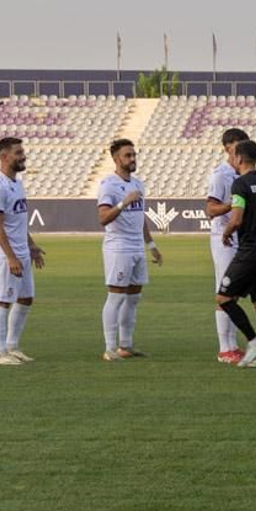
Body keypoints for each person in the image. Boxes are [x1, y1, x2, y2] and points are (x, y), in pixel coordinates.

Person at [96, 139, 161, 361]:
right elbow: (103, 218)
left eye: (134, 155)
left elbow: (139, 217)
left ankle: (126, 345)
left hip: (136, 247)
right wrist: (123, 203)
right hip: (119, 247)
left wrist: (151, 245)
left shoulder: (138, 184)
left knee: (133, 298)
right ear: (116, 159)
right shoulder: (108, 185)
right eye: (128, 155)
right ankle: (109, 348)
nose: (133, 159)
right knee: (115, 297)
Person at [218, 140, 256, 368]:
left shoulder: (240, 184)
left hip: (250, 249)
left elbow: (236, 218)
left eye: (233, 155)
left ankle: (254, 342)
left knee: (223, 297)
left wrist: (226, 233)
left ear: (239, 158)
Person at [0, 136, 45, 365]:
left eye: (22, 152)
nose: (23, 156)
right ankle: (1, 352)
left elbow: (17, 220)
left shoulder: (17, 183)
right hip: (5, 254)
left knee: (26, 298)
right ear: (4, 156)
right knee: (1, 300)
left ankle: (12, 346)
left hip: (21, 250)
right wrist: (10, 257)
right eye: (18, 153)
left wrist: (31, 245)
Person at [204, 127, 249, 363]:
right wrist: (231, 206)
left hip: (239, 238)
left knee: (234, 294)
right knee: (225, 291)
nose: (240, 148)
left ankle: (231, 344)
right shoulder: (221, 175)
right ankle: (224, 348)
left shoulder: (242, 173)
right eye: (237, 144)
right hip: (224, 237)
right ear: (227, 148)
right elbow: (210, 209)